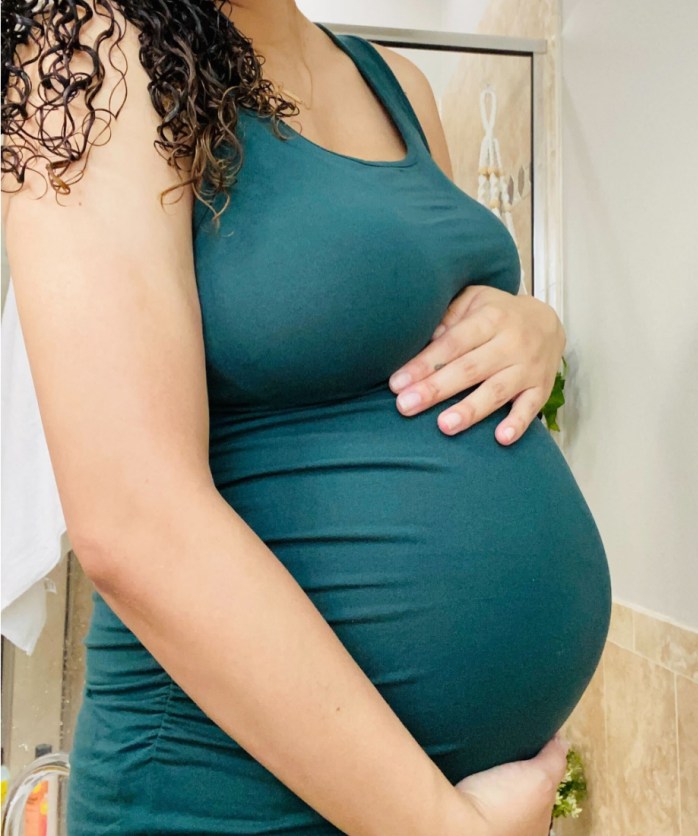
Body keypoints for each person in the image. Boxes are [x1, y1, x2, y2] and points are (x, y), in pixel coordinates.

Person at [1, 2, 612, 834]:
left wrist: (531, 325)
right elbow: (131, 521)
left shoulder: (398, 82)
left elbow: (420, 311)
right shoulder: (89, 55)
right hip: (218, 800)